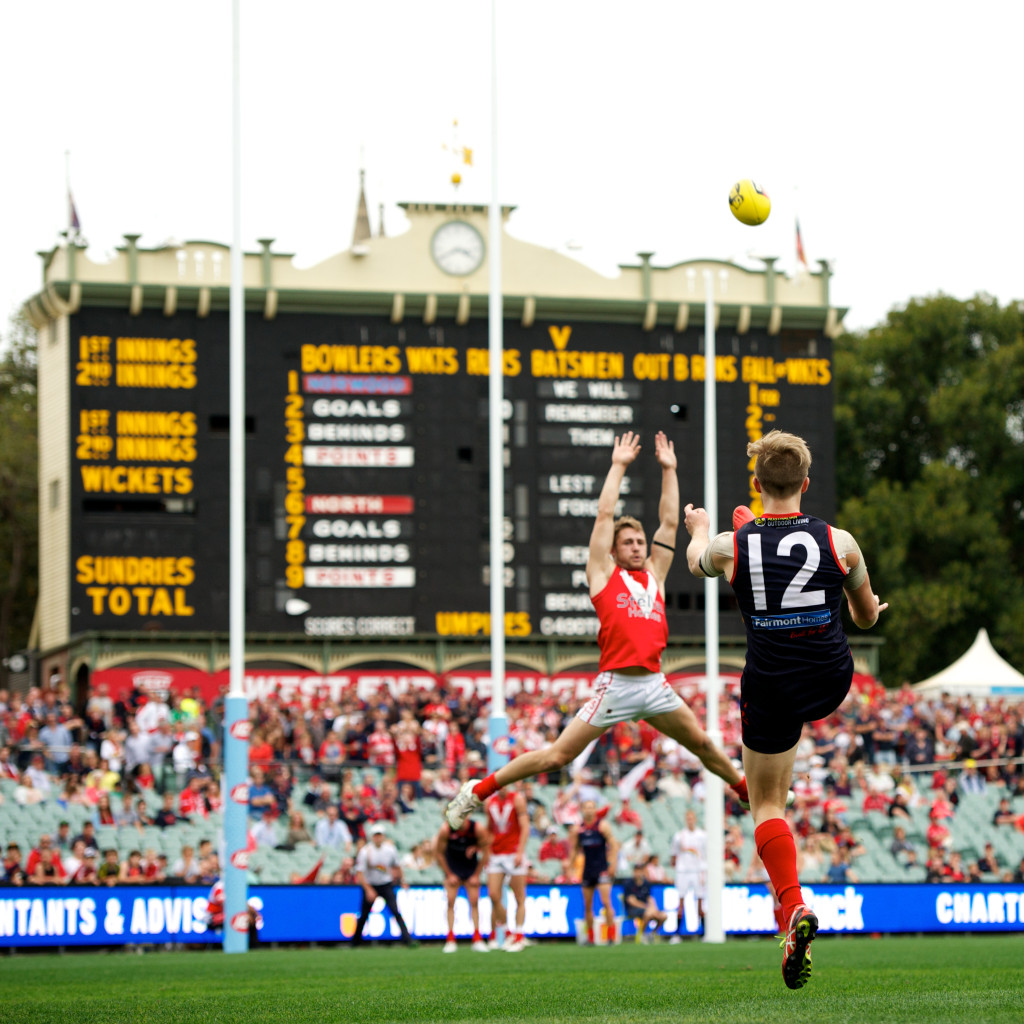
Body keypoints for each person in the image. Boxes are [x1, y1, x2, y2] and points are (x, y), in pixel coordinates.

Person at [445, 431, 745, 828]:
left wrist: (669, 470)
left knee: (705, 744)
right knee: (556, 757)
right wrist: (618, 465)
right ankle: (475, 792)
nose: (638, 547)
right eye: (629, 542)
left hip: (654, 685)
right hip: (616, 685)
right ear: (614, 551)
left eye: (640, 541)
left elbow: (670, 521)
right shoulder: (603, 576)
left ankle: (746, 793)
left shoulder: (655, 574)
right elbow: (605, 516)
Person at [683, 429, 886, 990]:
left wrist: (702, 529)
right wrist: (859, 599)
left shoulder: (731, 545)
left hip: (771, 679)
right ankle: (789, 921)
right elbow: (867, 617)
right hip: (828, 676)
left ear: (757, 482)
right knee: (785, 761)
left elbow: (697, 560)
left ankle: (794, 908)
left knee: (767, 802)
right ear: (806, 482)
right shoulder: (840, 540)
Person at [351, 823, 417, 947]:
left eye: (380, 835)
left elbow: (396, 866)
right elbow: (360, 873)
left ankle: (407, 939)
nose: (378, 838)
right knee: (364, 914)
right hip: (371, 885)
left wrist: (402, 880)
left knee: (395, 912)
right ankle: (355, 941)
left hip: (386, 884)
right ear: (372, 837)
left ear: (383, 836)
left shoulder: (390, 850)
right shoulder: (365, 852)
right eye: (376, 835)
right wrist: (368, 889)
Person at [484, 784, 530, 952]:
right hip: (496, 853)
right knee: (493, 895)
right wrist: (487, 850)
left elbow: (525, 826)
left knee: (519, 897)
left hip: (513, 852)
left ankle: (519, 935)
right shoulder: (490, 803)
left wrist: (520, 851)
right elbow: (489, 829)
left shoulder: (517, 799)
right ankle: (507, 931)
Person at [435, 817, 491, 953]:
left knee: (474, 902)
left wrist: (477, 874)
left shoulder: (477, 828)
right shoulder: (446, 829)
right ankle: (450, 939)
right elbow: (439, 853)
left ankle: (477, 938)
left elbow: (486, 850)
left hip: (470, 869)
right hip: (453, 868)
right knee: (450, 902)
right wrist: (449, 874)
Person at [572, 799, 619, 945]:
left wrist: (612, 865)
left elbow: (614, 846)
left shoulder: (602, 826)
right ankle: (591, 937)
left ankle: (611, 936)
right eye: (586, 807)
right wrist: (570, 867)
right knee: (587, 905)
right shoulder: (578, 829)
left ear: (595, 810)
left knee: (606, 902)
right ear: (582, 810)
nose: (589, 810)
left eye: (592, 808)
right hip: (587, 870)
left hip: (602, 869)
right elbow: (574, 849)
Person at [669, 809, 707, 940]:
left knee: (700, 901)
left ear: (695, 819)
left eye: (692, 818)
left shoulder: (702, 835)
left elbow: (706, 854)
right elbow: (673, 856)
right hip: (683, 871)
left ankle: (703, 933)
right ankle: (677, 933)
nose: (690, 820)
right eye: (688, 818)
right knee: (680, 901)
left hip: (698, 871)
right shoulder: (679, 836)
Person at [623, 861, 669, 943]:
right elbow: (632, 901)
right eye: (637, 871)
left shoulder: (646, 884)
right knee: (648, 913)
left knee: (663, 916)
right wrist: (647, 908)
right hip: (633, 909)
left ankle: (653, 934)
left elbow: (650, 898)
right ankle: (642, 935)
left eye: (640, 870)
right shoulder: (628, 883)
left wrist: (654, 909)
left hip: (647, 909)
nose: (638, 873)